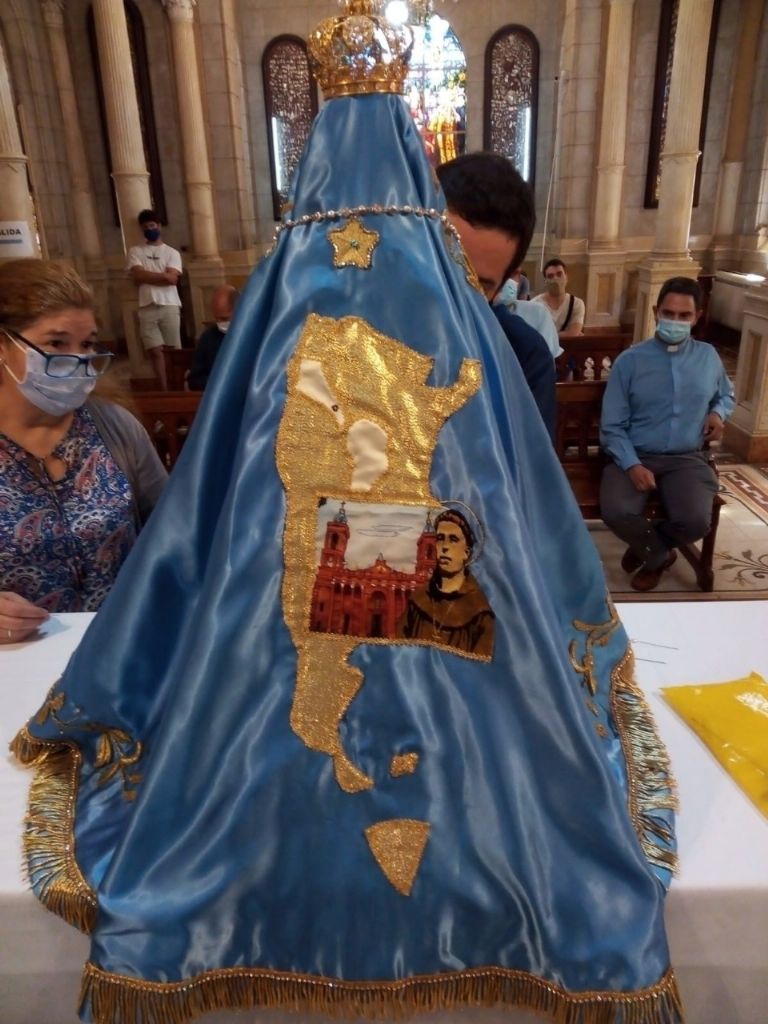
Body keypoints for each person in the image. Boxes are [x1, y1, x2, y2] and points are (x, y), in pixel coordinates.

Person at [13, 7, 681, 1022]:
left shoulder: (291, 297)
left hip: (344, 557)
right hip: (381, 553)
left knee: (333, 658)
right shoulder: (434, 311)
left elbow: (208, 503)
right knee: (402, 667)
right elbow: (518, 507)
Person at [0, 259, 167, 642]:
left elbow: (172, 526)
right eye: (57, 344)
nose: (78, 361)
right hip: (17, 660)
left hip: (124, 644)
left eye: (88, 344)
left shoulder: (115, 427)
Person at [600, 276, 734, 592]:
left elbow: (725, 394)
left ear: (697, 316)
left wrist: (718, 413)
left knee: (697, 521)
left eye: (684, 315)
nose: (675, 321)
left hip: (687, 457)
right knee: (617, 511)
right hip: (635, 452)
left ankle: (648, 547)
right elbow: (612, 426)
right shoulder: (630, 362)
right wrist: (632, 465)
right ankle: (659, 556)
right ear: (655, 311)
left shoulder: (708, 357)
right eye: (668, 313)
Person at [436, 152, 556, 437]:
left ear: (503, 284)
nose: (452, 294)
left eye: (478, 284)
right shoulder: (357, 328)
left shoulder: (522, 355)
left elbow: (530, 460)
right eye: (441, 267)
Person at [397, 508, 494, 656]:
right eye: (440, 538)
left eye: (453, 539)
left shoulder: (480, 613)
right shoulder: (417, 602)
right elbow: (398, 652)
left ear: (466, 553)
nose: (445, 547)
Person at [128, 209, 183, 391]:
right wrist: (162, 276)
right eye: (145, 227)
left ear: (159, 226)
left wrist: (148, 276)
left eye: (152, 225)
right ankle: (164, 390)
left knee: (173, 352)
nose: (149, 229)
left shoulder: (172, 253)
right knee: (155, 351)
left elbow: (172, 279)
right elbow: (137, 276)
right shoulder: (135, 251)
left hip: (169, 305)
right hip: (147, 306)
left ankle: (177, 389)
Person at [187, 284, 239, 391]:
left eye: (224, 318)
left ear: (240, 310)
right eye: (216, 318)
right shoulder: (208, 337)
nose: (219, 323)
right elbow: (195, 380)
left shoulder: (256, 335)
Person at [533, 258, 585, 337]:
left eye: (559, 274)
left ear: (566, 277)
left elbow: (573, 333)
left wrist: (546, 336)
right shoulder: (535, 304)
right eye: (550, 276)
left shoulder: (576, 304)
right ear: (545, 281)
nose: (555, 278)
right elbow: (533, 335)